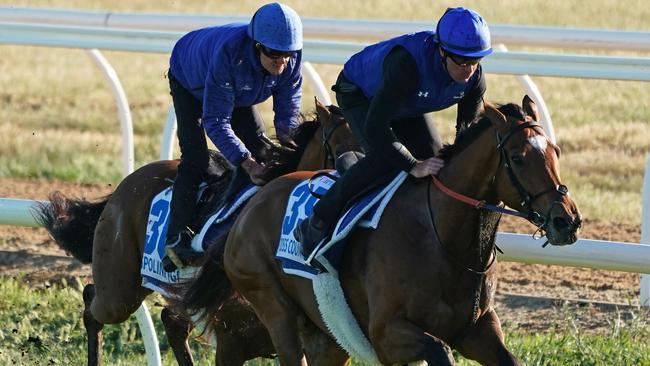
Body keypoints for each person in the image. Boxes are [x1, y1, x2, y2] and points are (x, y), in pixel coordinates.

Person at [295, 7, 493, 257]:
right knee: (387, 159)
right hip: (360, 94)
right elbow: (375, 127)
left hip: (405, 102)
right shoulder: (406, 65)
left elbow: (466, 136)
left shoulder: (475, 80)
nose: (469, 70)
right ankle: (318, 220)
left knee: (434, 159)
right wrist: (411, 164)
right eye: (461, 61)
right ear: (441, 51)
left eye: (475, 61)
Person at [163, 2, 303, 271]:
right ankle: (174, 240)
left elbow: (288, 120)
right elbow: (216, 121)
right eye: (274, 53)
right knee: (197, 158)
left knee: (264, 151)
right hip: (191, 78)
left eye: (288, 53)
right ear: (257, 45)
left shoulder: (290, 59)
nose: (282, 61)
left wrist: (290, 150)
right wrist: (247, 164)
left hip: (237, 86)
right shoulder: (230, 55)